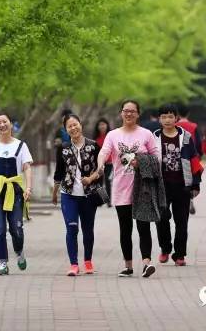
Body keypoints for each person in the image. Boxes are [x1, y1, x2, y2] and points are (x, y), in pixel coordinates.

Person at [96, 98, 160, 278]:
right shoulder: (113, 135)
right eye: (126, 110)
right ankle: (128, 266)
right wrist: (100, 165)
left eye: (132, 111)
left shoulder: (146, 134)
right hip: (121, 188)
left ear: (138, 114)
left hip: (142, 188)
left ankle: (146, 263)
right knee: (125, 228)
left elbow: (157, 157)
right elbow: (104, 152)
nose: (129, 113)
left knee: (143, 226)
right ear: (121, 113)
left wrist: (141, 162)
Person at [0, 112, 33, 275]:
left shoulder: (21, 146)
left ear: (10, 124)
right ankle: (3, 263)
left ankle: (19, 251)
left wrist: (28, 188)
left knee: (16, 229)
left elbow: (27, 167)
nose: (2, 125)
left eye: (4, 121)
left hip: (15, 192)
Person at [153, 104, 203, 266]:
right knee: (161, 218)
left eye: (170, 116)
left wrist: (195, 185)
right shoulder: (154, 137)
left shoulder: (185, 136)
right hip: (161, 186)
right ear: (159, 119)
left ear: (176, 118)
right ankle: (165, 248)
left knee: (182, 221)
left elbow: (194, 160)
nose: (167, 120)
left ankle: (180, 254)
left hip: (182, 185)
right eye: (164, 117)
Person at [53, 113, 101, 276]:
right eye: (69, 126)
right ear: (66, 130)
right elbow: (59, 172)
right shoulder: (63, 148)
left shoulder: (93, 146)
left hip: (89, 195)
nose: (73, 128)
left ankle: (88, 261)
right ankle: (74, 264)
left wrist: (91, 179)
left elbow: (101, 169)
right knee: (72, 228)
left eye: (75, 124)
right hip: (68, 194)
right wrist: (55, 192)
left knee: (88, 229)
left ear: (81, 124)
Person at [176, 106, 202, 214]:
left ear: (177, 114)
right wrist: (198, 155)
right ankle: (189, 198)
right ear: (188, 113)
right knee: (190, 179)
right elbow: (198, 143)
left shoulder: (174, 125)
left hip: (176, 156)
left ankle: (181, 200)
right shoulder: (193, 126)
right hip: (191, 156)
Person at [93, 117, 113, 200]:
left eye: (103, 124)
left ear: (107, 125)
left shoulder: (111, 136)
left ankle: (109, 200)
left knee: (108, 181)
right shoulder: (95, 138)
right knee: (99, 182)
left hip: (109, 163)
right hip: (99, 164)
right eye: (100, 125)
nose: (102, 126)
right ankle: (103, 199)